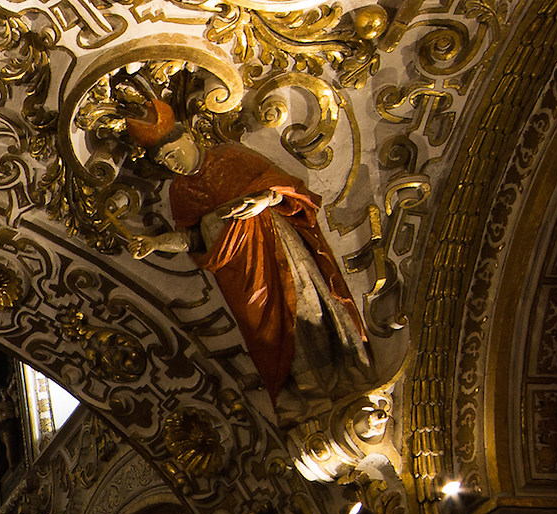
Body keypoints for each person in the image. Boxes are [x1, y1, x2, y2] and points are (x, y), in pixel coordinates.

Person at [117, 88, 369, 401]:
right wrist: (155, 243)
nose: (172, 164)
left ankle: (345, 372)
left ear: (191, 137)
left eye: (172, 152)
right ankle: (307, 390)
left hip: (277, 250)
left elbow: (285, 189)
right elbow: (191, 238)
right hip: (241, 275)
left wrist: (265, 199)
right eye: (164, 161)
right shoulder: (180, 192)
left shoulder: (230, 155)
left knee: (307, 306)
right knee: (268, 332)